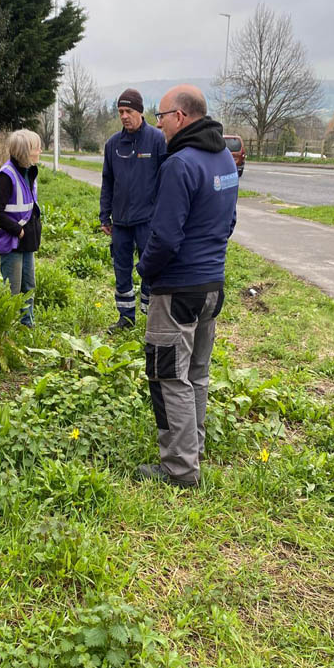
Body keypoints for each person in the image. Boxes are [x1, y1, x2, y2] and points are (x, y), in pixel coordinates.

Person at [135, 85, 238, 487]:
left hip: (176, 289)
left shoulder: (179, 165)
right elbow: (229, 223)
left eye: (160, 117)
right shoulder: (224, 158)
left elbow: (164, 238)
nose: (157, 125)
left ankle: (179, 468)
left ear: (180, 117)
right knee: (196, 371)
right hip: (212, 285)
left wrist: (145, 271)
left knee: (166, 375)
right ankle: (193, 446)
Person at [99, 88, 166, 332]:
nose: (124, 116)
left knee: (150, 268)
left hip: (148, 221)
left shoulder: (157, 141)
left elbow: (167, 180)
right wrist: (104, 214)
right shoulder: (113, 145)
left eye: (128, 111)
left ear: (140, 111)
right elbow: (107, 181)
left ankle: (152, 317)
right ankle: (126, 319)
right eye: (120, 112)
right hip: (121, 224)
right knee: (121, 270)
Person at [0, 129, 42, 326]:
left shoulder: (29, 171)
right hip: (13, 241)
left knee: (29, 285)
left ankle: (27, 324)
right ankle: (8, 327)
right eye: (37, 147)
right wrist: (17, 230)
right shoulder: (6, 176)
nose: (40, 151)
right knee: (13, 288)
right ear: (26, 151)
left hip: (27, 240)